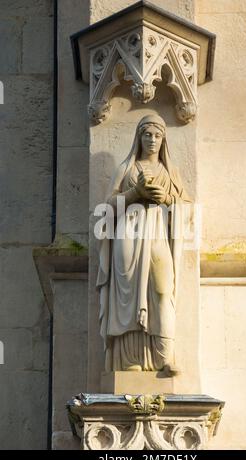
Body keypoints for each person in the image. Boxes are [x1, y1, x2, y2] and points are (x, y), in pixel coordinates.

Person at [96, 114, 191, 374]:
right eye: (147, 134)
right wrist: (135, 193)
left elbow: (189, 210)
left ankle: (164, 358)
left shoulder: (171, 172)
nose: (152, 140)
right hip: (128, 233)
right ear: (138, 138)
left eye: (158, 135)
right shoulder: (126, 169)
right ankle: (130, 362)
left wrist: (170, 200)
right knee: (126, 295)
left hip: (158, 233)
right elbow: (105, 210)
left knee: (163, 290)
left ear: (164, 140)